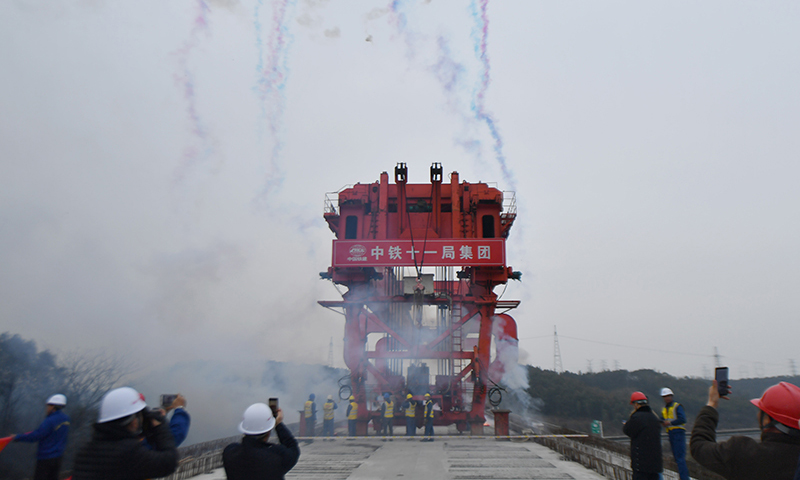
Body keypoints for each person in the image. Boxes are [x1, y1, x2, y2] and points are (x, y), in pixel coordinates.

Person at [690, 380, 800, 480]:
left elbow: (698, 446)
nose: (757, 414)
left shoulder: (742, 452)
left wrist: (711, 405)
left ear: (766, 420)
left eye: (760, 410)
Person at [72, 387, 178, 480]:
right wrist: (160, 427)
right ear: (133, 420)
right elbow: (169, 462)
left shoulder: (84, 453)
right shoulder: (128, 452)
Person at [223, 402, 300, 480]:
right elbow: (293, 448)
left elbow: (240, 446)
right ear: (269, 431)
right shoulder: (277, 456)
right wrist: (278, 424)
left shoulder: (229, 454)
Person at [11, 394, 70, 480]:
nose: (46, 408)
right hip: (58, 458)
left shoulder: (49, 421)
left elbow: (37, 435)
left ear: (53, 407)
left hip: (46, 458)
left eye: (48, 406)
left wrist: (18, 437)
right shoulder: (66, 419)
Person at [623, 391, 663, 480]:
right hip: (656, 465)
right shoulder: (654, 418)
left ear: (636, 404)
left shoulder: (636, 417)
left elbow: (627, 430)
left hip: (641, 465)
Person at [660, 387, 689, 480]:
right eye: (665, 396)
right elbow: (662, 419)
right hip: (671, 434)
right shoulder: (664, 409)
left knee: (680, 458)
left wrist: (670, 423)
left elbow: (682, 419)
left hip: (678, 433)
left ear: (671, 396)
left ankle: (684, 478)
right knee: (677, 458)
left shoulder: (677, 406)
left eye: (668, 396)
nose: (667, 398)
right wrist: (663, 423)